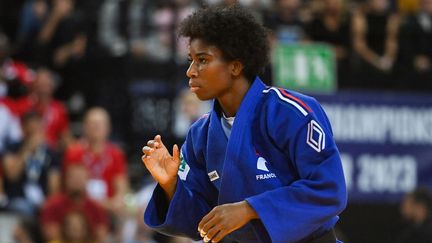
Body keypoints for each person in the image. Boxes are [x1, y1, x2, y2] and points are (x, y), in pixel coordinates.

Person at [142, 4, 347, 243]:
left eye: (202, 60)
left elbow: (328, 190)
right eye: (190, 60)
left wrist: (248, 209)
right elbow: (202, 220)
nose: (190, 71)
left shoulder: (290, 112)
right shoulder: (201, 134)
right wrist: (171, 185)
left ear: (235, 66)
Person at [40, 163, 109, 242]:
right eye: (74, 178)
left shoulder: (96, 207)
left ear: (87, 180)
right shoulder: (53, 205)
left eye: (80, 178)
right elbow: (50, 234)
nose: (77, 181)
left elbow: (101, 236)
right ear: (66, 180)